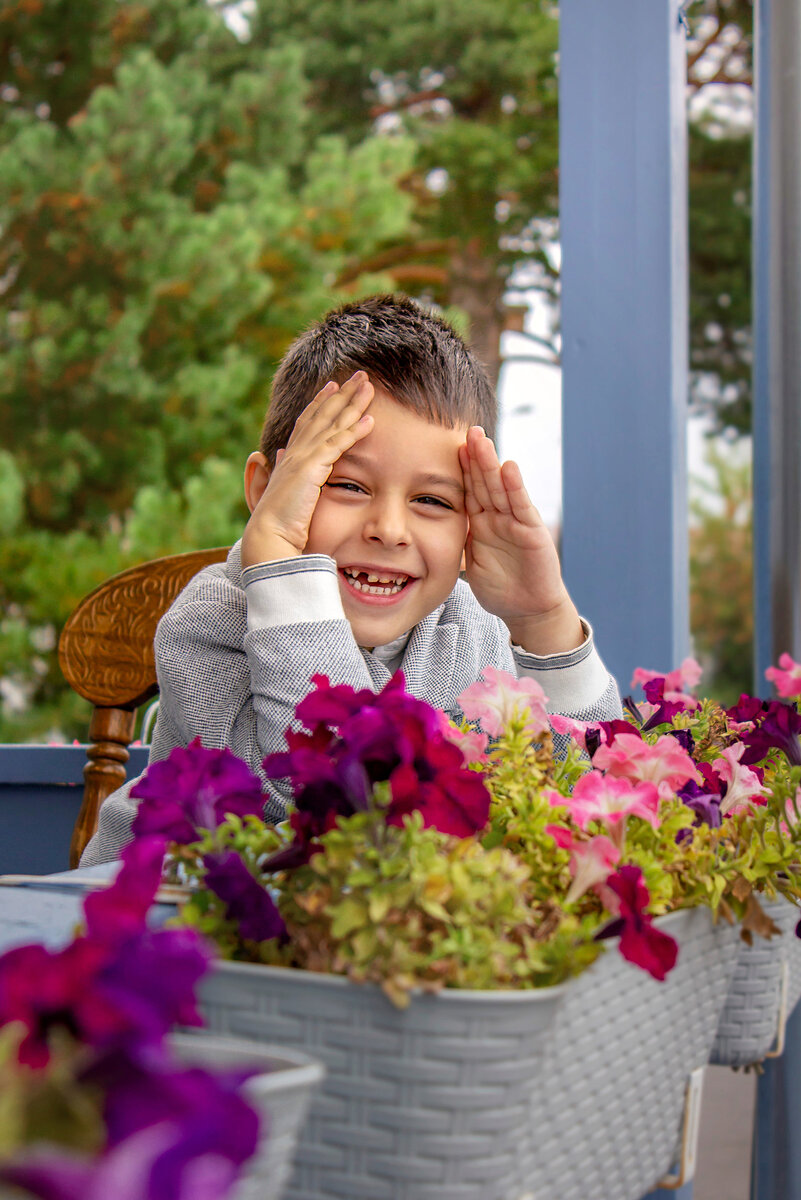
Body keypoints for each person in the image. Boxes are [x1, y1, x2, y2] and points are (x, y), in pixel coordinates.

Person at [82, 295, 621, 864]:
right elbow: (317, 803)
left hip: (361, 934)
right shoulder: (211, 622)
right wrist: (279, 562)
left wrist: (542, 622)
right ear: (266, 491)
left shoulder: (473, 630)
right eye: (347, 486)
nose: (389, 529)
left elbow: (587, 790)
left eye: (433, 500)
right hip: (158, 917)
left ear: (471, 529)